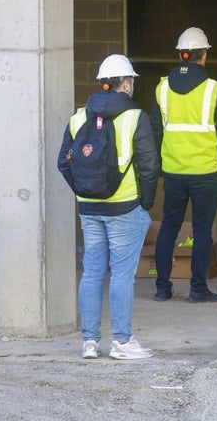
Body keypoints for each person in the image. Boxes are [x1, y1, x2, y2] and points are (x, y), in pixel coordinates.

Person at [58, 54, 158, 361]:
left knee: (92, 273)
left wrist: (84, 192)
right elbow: (150, 167)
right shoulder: (134, 117)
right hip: (124, 207)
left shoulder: (78, 117)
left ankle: (89, 342)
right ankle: (122, 342)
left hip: (89, 208)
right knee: (121, 276)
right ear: (126, 84)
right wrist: (145, 204)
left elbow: (64, 162)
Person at [151, 27, 217, 304]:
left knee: (168, 228)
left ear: (180, 54)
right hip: (207, 173)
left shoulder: (162, 88)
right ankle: (198, 289)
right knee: (201, 231)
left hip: (174, 171)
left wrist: (161, 166)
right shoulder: (214, 89)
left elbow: (155, 132)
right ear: (205, 55)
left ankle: (163, 288)